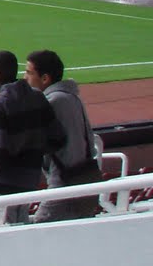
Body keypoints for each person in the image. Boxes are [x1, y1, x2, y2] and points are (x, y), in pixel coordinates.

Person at [0, 50, 65, 225]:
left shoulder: (0, 104)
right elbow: (58, 139)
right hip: (27, 185)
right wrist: (30, 154)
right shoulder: (38, 98)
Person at [25, 49, 101, 222]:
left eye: (29, 73)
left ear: (45, 78)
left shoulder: (53, 102)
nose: (25, 78)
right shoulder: (72, 98)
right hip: (83, 177)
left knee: (38, 228)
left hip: (65, 181)